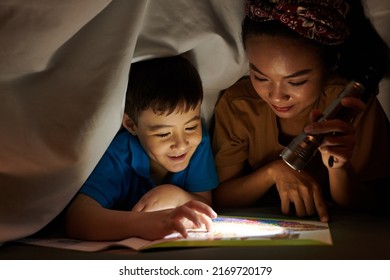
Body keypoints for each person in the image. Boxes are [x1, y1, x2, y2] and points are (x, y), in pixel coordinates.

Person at [212, 0, 390, 222]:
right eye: (260, 77)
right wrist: (275, 172)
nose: (276, 96)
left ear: (331, 64)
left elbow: (371, 206)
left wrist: (339, 168)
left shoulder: (351, 105)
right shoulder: (239, 105)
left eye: (296, 82)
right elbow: (221, 198)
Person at [66, 55, 219, 241]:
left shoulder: (198, 143)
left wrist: (174, 195)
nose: (181, 143)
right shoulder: (120, 154)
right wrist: (142, 223)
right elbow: (77, 218)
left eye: (190, 127)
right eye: (163, 134)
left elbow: (205, 204)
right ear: (131, 125)